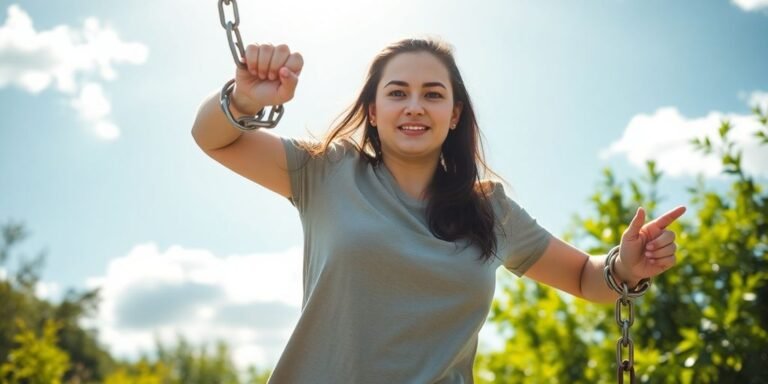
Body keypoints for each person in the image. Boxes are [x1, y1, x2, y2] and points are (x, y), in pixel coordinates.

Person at [191, 38, 686, 383]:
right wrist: (243, 99)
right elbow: (212, 138)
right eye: (397, 92)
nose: (414, 106)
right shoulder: (324, 171)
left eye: (433, 94)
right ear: (372, 111)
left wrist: (625, 267)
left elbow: (583, 278)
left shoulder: (489, 209)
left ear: (453, 116)